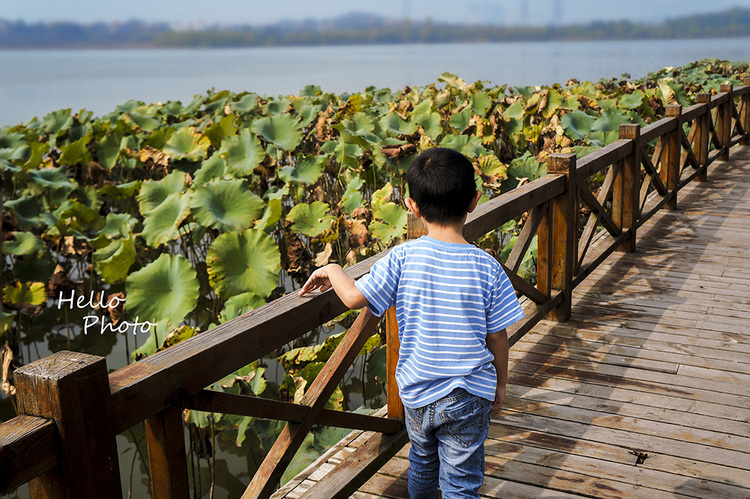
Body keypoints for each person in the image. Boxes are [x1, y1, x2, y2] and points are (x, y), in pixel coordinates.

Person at [298, 147, 524, 498]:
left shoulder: (403, 256)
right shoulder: (488, 266)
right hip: (467, 395)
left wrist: (333, 269)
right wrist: (501, 385)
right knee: (460, 482)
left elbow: (355, 298)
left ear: (411, 206)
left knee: (421, 459)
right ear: (474, 200)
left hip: (416, 393)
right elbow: (498, 338)